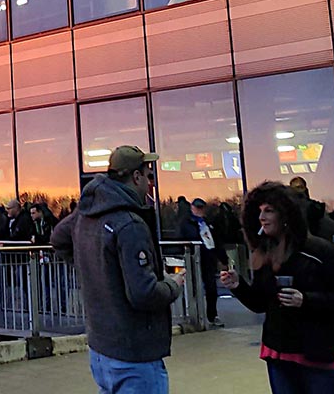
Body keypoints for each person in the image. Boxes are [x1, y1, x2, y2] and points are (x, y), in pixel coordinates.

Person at [51, 146, 182, 394]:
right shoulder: (130, 224)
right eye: (148, 174)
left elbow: (59, 239)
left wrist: (95, 270)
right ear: (136, 177)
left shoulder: (87, 213)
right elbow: (144, 294)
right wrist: (173, 285)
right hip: (135, 355)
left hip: (102, 349)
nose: (150, 182)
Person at [220, 181, 334, 394]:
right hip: (279, 352)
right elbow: (260, 304)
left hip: (318, 352)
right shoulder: (265, 253)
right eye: (259, 212)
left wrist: (306, 300)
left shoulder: (320, 251)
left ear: (285, 215)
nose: (262, 217)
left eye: (269, 211)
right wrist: (238, 285)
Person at [179, 197, 227, 328]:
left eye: (201, 208)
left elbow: (216, 242)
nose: (200, 211)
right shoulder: (187, 223)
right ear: (192, 208)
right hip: (193, 259)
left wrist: (223, 259)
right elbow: (184, 238)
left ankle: (212, 315)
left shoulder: (209, 223)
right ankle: (193, 316)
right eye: (197, 208)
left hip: (208, 258)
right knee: (192, 287)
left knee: (211, 287)